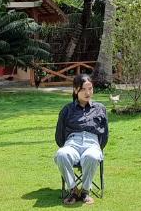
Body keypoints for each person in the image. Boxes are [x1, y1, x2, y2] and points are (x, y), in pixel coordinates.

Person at [54, 73, 108, 205]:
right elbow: (59, 135)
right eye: (83, 89)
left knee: (93, 156)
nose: (88, 92)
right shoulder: (67, 110)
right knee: (61, 154)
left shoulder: (100, 108)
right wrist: (67, 144)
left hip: (92, 143)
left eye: (90, 88)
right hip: (72, 143)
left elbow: (105, 134)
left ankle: (84, 191)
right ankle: (73, 190)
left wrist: (97, 147)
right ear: (75, 90)